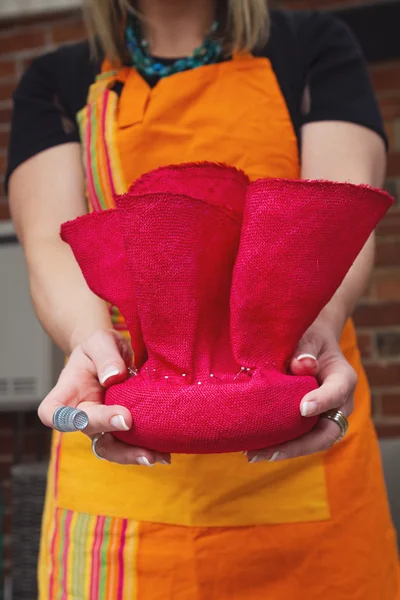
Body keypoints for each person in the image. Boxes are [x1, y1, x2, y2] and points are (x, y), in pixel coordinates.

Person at [6, 0, 399, 598]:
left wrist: (320, 327)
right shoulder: (59, 81)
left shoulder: (314, 44)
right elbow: (52, 244)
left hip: (302, 448)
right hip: (120, 466)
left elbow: (338, 214)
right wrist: (92, 346)